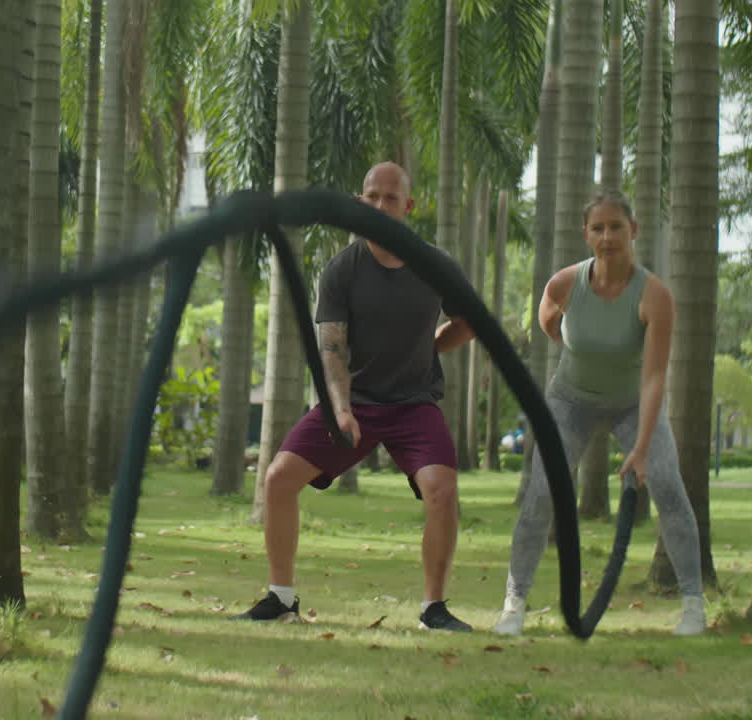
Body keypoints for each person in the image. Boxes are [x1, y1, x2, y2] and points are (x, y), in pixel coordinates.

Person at [234, 161, 477, 631]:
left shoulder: (436, 264)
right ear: (360, 202)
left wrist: (429, 347)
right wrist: (342, 410)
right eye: (372, 196)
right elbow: (332, 349)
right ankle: (281, 598)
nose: (380, 206)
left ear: (408, 206)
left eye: (391, 198)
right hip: (355, 402)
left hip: (414, 404)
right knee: (278, 478)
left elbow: (467, 322)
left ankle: (434, 608)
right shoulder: (342, 269)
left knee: (442, 491)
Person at [494, 190, 706, 637]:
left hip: (633, 404)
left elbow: (654, 377)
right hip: (570, 401)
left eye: (616, 227)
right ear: (586, 234)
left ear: (634, 231)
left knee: (669, 487)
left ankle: (693, 605)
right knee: (542, 493)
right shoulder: (564, 284)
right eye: (598, 228)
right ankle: (513, 604)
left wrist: (642, 448)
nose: (607, 236)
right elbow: (547, 323)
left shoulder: (654, 295)